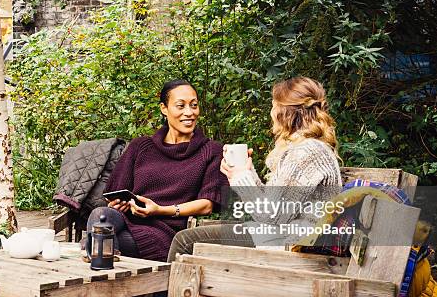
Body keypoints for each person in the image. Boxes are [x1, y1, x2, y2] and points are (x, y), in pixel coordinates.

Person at [168, 75, 342, 260]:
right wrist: (247, 172)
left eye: (274, 106)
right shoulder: (306, 148)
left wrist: (241, 178)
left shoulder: (308, 152)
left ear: (285, 113)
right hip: (282, 236)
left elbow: (271, 217)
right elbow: (273, 207)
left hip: (295, 245)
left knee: (185, 241)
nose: (272, 113)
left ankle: (166, 290)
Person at [86, 79, 227, 262]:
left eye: (194, 105)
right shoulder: (141, 146)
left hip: (167, 230)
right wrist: (118, 203)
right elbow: (113, 193)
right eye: (180, 106)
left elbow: (207, 205)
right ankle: (97, 260)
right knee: (101, 216)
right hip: (128, 220)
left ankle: (92, 258)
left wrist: (160, 210)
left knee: (104, 241)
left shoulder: (211, 151)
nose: (189, 112)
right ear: (164, 108)